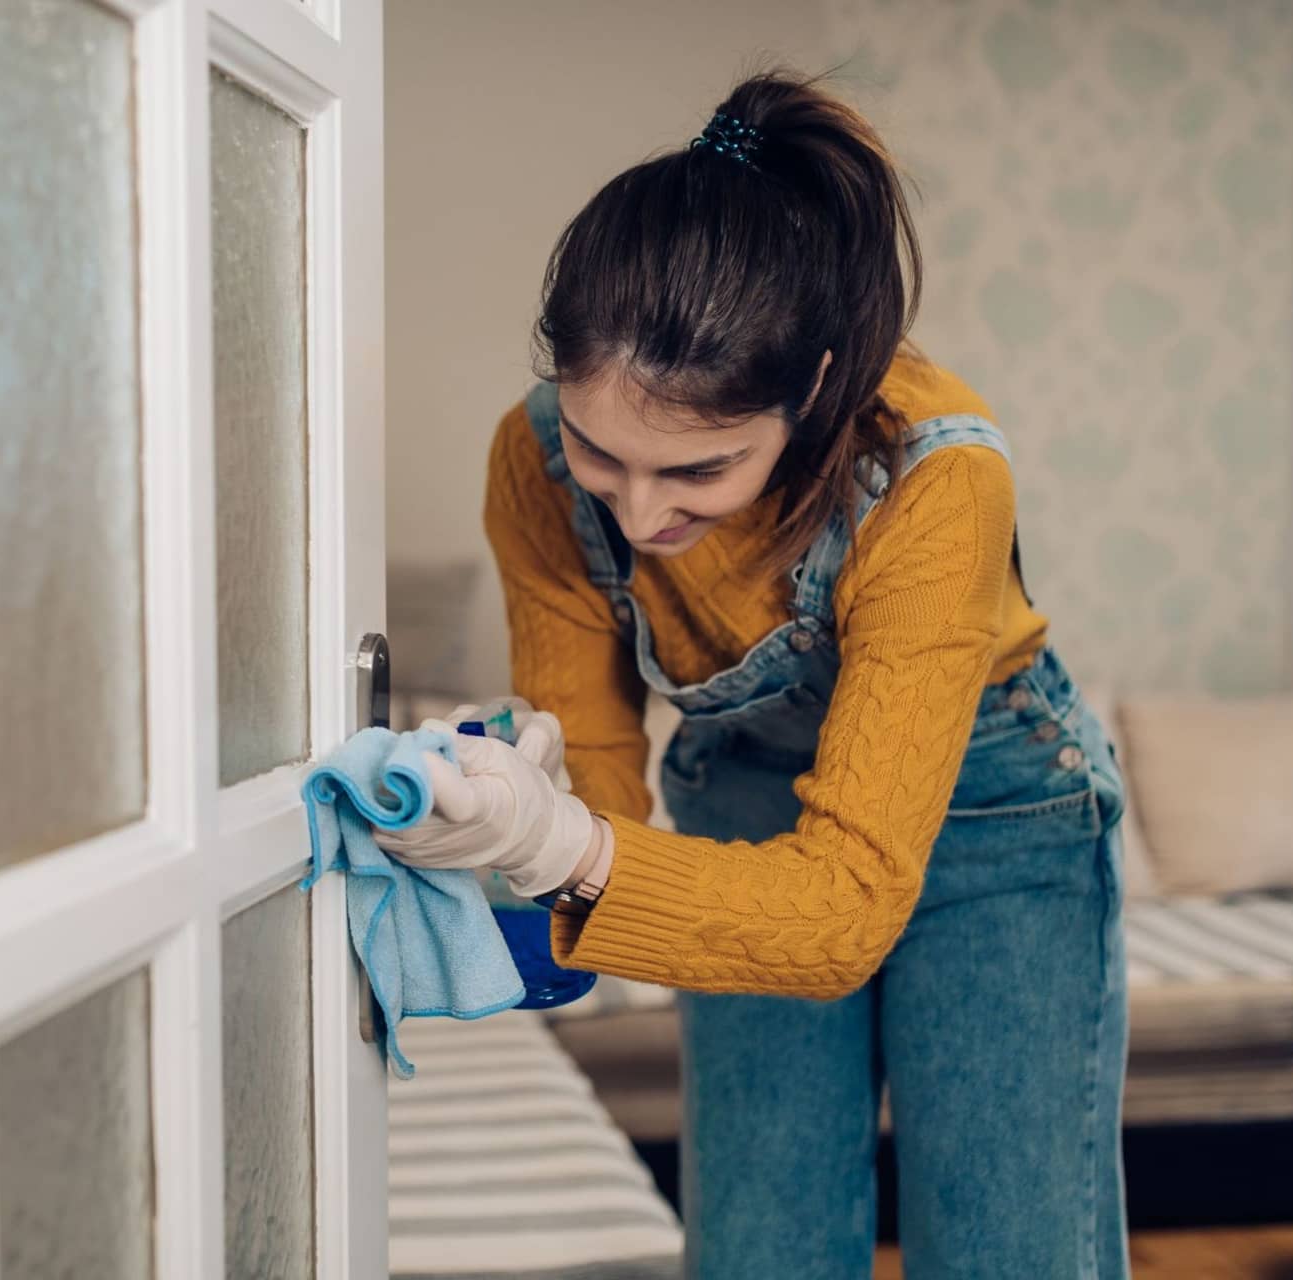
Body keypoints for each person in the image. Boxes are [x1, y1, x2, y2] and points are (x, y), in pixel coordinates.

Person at [376, 71, 1130, 1279]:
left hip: (992, 819)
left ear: (815, 390)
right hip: (738, 801)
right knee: (755, 1245)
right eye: (598, 449)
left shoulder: (935, 481)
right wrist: (518, 822)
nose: (635, 506)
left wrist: (571, 850)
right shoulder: (532, 465)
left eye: (698, 471)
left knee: (1004, 1248)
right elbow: (600, 803)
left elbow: (834, 913)